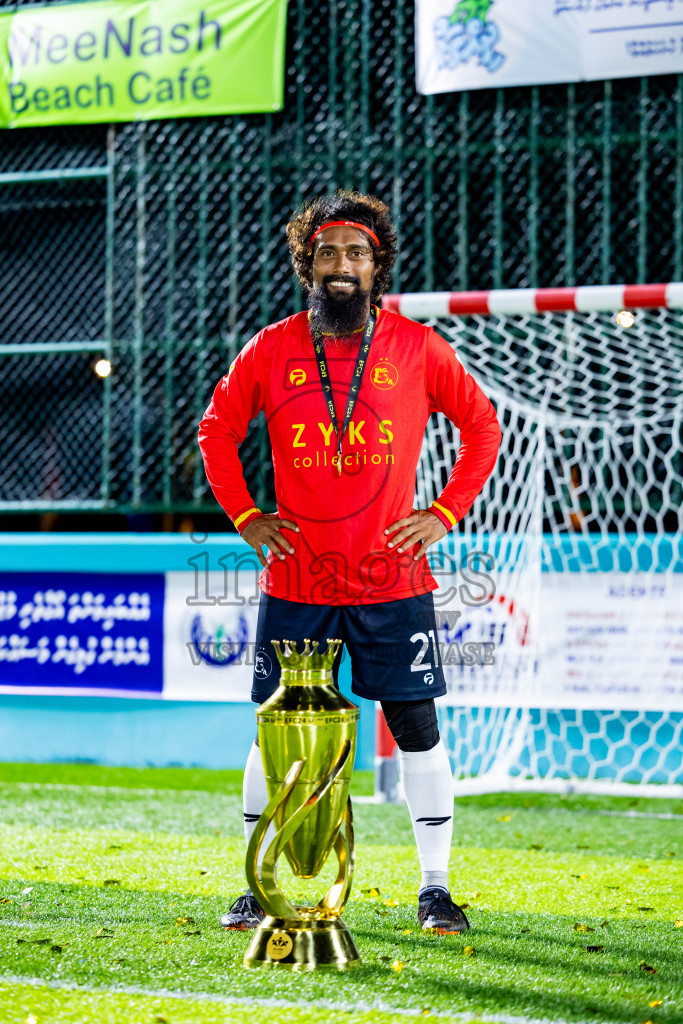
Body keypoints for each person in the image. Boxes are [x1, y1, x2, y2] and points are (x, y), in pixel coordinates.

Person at [198, 190, 502, 934]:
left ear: (377, 266)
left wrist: (442, 512)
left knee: (414, 722)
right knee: (277, 726)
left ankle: (435, 889)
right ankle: (256, 883)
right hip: (298, 576)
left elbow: (482, 429)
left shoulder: (418, 347)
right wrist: (245, 516)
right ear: (307, 262)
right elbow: (215, 430)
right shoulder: (270, 348)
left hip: (389, 577)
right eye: (328, 251)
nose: (342, 265)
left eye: (357, 253)